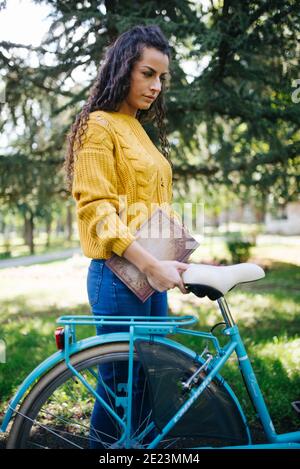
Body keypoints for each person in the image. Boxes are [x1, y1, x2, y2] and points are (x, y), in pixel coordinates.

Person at [64, 24, 189, 448]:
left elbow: (154, 209)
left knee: (151, 383)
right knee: (121, 385)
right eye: (147, 73)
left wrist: (172, 259)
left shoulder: (137, 129)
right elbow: (96, 210)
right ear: (123, 69)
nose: (156, 86)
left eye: (161, 77)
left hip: (150, 274)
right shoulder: (98, 126)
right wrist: (150, 262)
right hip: (119, 276)